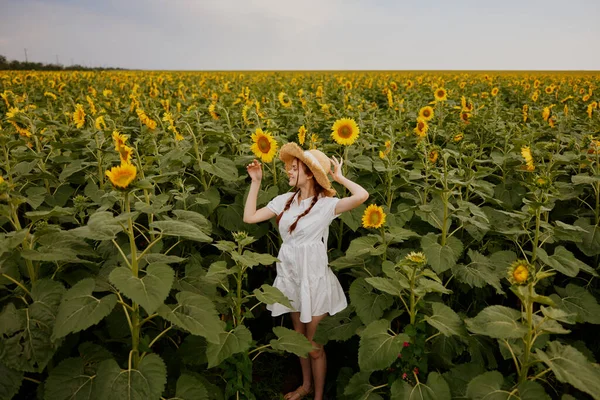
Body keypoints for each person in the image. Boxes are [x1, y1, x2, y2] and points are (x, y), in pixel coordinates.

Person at [243, 142, 369, 400]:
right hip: (291, 277)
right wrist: (255, 182)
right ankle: (305, 386)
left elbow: (362, 196)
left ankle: (318, 396)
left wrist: (340, 178)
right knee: (299, 340)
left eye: (294, 167)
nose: (288, 171)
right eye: (289, 167)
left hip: (314, 280)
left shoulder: (325, 205)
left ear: (310, 173)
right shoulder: (284, 201)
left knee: (314, 347)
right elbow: (249, 217)